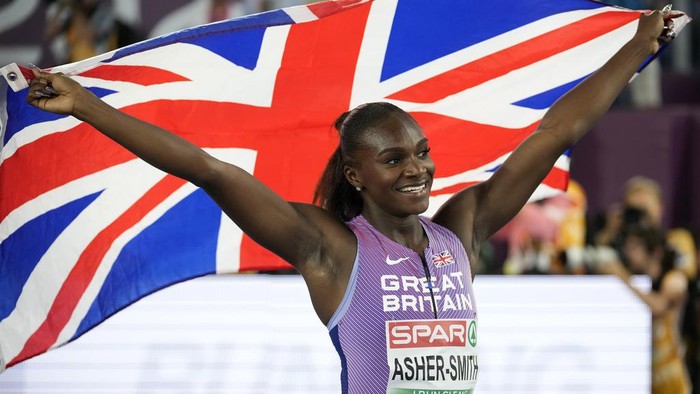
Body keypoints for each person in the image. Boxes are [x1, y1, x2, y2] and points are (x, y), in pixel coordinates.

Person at [25, 10, 676, 394]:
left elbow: (555, 132)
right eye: (394, 159)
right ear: (356, 175)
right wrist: (84, 104)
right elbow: (208, 169)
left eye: (420, 152)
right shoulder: (330, 247)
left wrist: (638, 46)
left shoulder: (462, 229)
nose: (418, 168)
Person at [597, 224, 692, 394]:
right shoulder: (642, 284)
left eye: (634, 247)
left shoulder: (674, 279)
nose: (628, 253)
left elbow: (658, 307)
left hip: (672, 375)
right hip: (647, 374)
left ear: (654, 252)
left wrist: (622, 276)